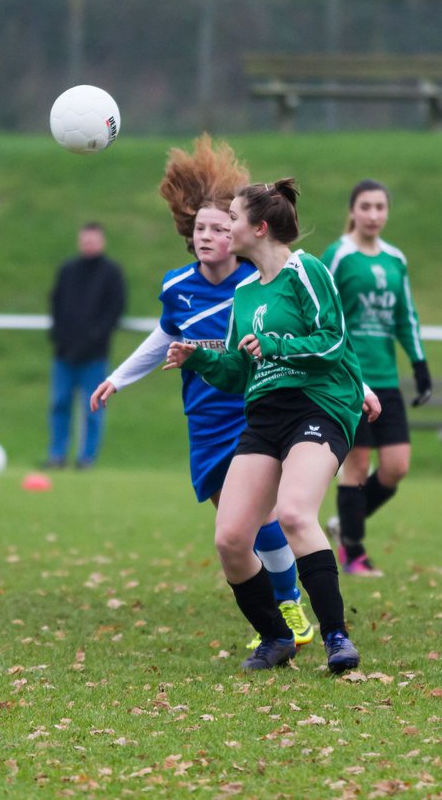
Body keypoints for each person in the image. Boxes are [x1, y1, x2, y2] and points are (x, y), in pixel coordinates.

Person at [87, 135, 315, 649]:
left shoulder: (259, 282)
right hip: (205, 418)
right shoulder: (177, 287)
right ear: (190, 238)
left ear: (235, 235)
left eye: (218, 227)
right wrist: (118, 377)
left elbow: (313, 330)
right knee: (235, 525)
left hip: (255, 412)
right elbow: (165, 335)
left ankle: (289, 609)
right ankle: (280, 613)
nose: (208, 235)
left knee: (260, 518)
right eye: (199, 229)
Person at [164, 178, 372, 674]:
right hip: (265, 415)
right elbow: (238, 372)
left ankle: (336, 637)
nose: (224, 226)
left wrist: (277, 345)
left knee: (297, 514)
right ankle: (276, 637)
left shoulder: (306, 270)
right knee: (231, 539)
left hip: (318, 404)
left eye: (232, 218)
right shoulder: (244, 295)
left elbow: (332, 342)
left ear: (259, 227)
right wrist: (198, 360)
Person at [322, 180, 430, 576]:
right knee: (357, 466)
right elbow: (322, 310)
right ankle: (354, 553)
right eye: (365, 207)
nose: (373, 215)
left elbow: (406, 317)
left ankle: (344, 524)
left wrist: (419, 365)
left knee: (396, 467)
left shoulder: (395, 259)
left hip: (387, 377)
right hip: (351, 378)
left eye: (380, 207)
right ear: (352, 211)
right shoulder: (338, 257)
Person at [46, 222, 126, 469]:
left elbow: (115, 309)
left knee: (93, 406)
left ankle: (86, 458)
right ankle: (56, 455)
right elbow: (56, 303)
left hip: (94, 355)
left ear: (101, 242)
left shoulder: (112, 273)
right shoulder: (68, 270)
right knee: (59, 403)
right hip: (64, 354)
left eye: (92, 241)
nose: (88, 245)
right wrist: (59, 336)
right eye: (85, 241)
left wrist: (95, 337)